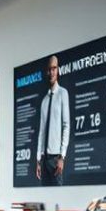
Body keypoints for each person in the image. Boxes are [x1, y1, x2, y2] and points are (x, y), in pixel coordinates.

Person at [36, 55, 70, 186]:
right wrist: (38, 160)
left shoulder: (63, 93)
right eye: (49, 69)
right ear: (46, 72)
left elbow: (66, 125)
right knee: (45, 198)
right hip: (44, 160)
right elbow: (41, 132)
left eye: (54, 68)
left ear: (58, 70)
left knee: (59, 196)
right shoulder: (44, 101)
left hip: (56, 159)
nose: (51, 72)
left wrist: (62, 157)